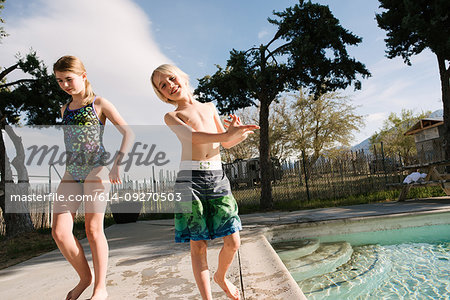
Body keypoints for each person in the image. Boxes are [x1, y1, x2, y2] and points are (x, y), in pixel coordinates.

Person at [151, 64, 259, 300]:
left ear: (182, 77)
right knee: (198, 246)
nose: (170, 85)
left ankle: (220, 276)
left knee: (233, 240)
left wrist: (237, 133)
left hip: (217, 178)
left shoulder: (209, 107)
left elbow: (225, 143)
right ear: (163, 95)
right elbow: (193, 137)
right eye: (163, 85)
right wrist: (226, 135)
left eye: (171, 78)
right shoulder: (172, 116)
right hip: (190, 182)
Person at [52, 55, 134, 300]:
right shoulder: (64, 108)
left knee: (92, 229)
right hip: (71, 171)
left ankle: (100, 288)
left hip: (96, 169)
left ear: (83, 76)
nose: (65, 85)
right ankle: (85, 278)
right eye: (59, 81)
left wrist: (117, 165)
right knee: (59, 232)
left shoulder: (99, 103)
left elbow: (128, 132)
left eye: (69, 79)